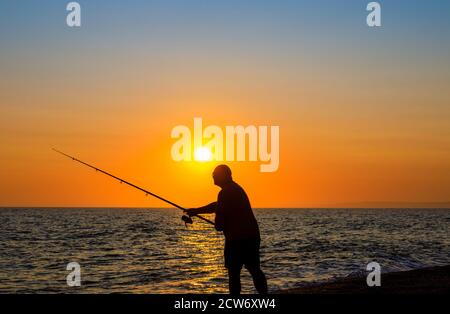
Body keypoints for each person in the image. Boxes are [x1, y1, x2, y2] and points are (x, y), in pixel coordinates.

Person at [186, 165, 268, 294]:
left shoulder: (225, 192)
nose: (212, 176)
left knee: (234, 274)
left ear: (224, 175)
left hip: (237, 240)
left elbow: (219, 226)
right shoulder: (233, 189)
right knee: (254, 269)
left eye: (215, 174)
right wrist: (196, 211)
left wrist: (218, 224)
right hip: (251, 236)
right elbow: (217, 205)